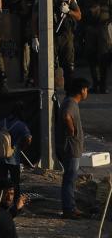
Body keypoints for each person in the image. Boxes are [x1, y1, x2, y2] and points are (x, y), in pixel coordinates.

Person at [76, 0, 112, 93]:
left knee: (104, 58)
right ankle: (95, 83)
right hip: (89, 28)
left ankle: (103, 85)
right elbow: (79, 10)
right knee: (91, 57)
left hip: (104, 28)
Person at [57, 77, 90, 219]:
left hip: (70, 148)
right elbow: (66, 116)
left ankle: (70, 207)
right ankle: (69, 209)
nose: (87, 92)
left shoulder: (70, 102)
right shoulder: (71, 102)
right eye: (86, 89)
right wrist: (71, 130)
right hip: (70, 149)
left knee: (70, 179)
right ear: (82, 90)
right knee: (70, 180)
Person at [5, 0, 38, 86]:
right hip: (15, 16)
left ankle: (32, 77)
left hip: (30, 16)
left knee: (33, 47)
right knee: (15, 48)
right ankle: (17, 76)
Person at [0, 111, 32, 198]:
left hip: (1, 157)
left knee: (2, 180)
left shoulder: (3, 122)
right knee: (15, 183)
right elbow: (28, 138)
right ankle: (15, 203)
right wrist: (23, 147)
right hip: (13, 159)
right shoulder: (21, 125)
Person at [52, 0, 81, 81]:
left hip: (66, 35)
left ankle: (70, 91)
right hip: (51, 34)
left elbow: (79, 15)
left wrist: (69, 11)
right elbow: (35, 16)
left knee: (69, 67)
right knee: (50, 66)